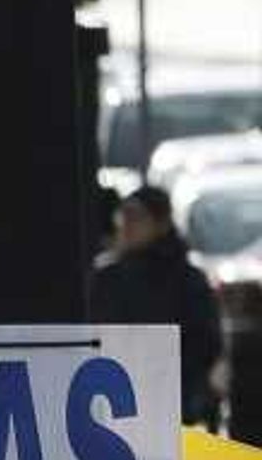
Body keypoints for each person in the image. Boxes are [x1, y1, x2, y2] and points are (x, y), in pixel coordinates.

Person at [91, 180, 225, 430]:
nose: (126, 225)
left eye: (137, 217)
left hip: (175, 398)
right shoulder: (106, 277)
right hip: (113, 394)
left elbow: (206, 341)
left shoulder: (188, 280)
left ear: (160, 224)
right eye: (123, 216)